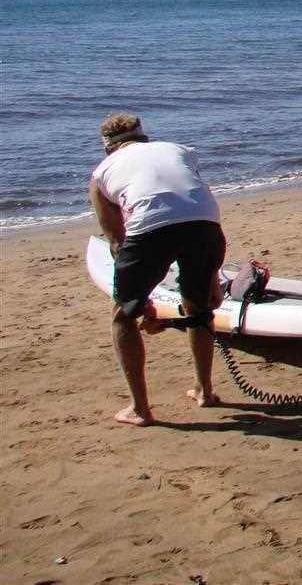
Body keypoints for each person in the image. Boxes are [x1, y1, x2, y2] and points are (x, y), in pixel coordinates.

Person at [89, 113, 226, 425]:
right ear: (143, 136)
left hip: (150, 229)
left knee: (123, 315)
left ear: (108, 147)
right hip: (206, 225)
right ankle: (204, 391)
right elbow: (190, 199)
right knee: (199, 308)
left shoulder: (101, 173)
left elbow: (117, 241)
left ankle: (140, 409)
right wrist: (213, 280)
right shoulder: (180, 150)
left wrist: (140, 301)